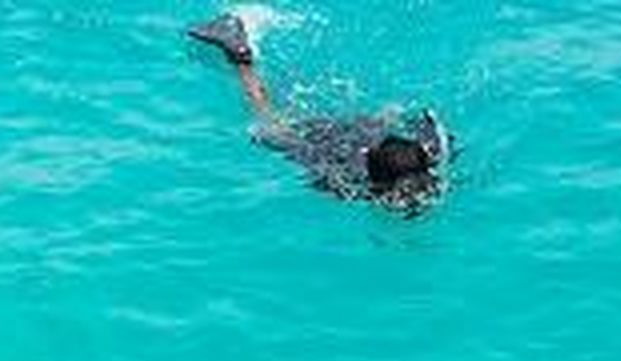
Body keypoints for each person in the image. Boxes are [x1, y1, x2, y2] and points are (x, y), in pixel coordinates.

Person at [188, 14, 447, 212]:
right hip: (329, 143)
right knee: (268, 127)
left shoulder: (429, 156)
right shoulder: (360, 186)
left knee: (386, 114)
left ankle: (384, 118)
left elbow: (429, 122)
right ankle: (240, 56)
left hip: (366, 132)